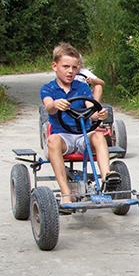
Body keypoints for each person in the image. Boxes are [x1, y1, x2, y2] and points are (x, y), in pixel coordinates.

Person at [40, 42, 118, 200]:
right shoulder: (48, 88)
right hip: (63, 137)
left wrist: (99, 114)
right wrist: (55, 104)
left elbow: (91, 110)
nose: (70, 71)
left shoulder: (82, 87)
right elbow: (49, 106)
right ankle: (66, 192)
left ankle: (106, 177)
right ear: (55, 66)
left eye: (74, 68)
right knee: (52, 140)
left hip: (83, 135)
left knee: (98, 136)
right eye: (66, 66)